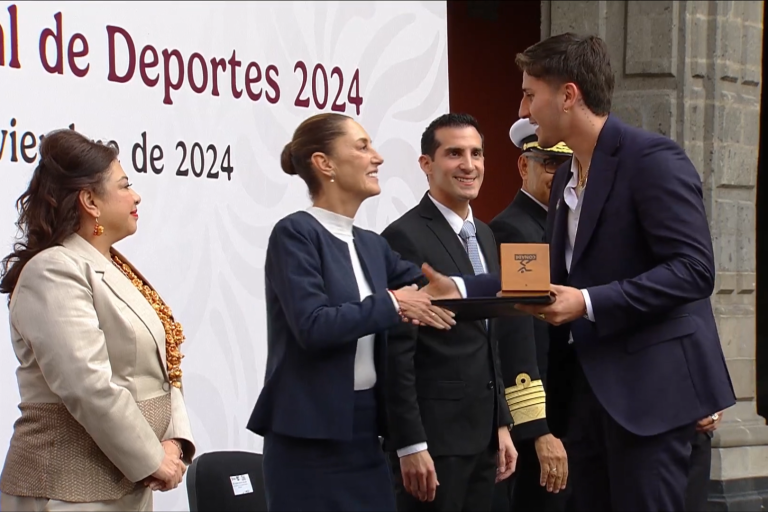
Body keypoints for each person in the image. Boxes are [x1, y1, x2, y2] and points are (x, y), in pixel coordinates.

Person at [513, 33, 736, 511]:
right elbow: (542, 278)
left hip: (651, 399)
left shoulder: (652, 160)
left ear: (569, 95)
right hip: (586, 395)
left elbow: (694, 270)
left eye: (531, 94)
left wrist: (588, 302)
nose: (523, 109)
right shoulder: (565, 181)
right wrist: (461, 290)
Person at [245, 113, 501, 512]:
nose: (377, 157)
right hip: (309, 437)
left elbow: (441, 290)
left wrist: (525, 288)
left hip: (366, 435)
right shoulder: (295, 234)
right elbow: (313, 325)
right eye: (362, 146)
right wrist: (396, 303)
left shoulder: (371, 246)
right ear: (324, 163)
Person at [0, 129, 195, 512]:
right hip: (66, 492)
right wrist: (151, 458)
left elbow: (167, 365)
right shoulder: (53, 269)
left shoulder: (109, 265)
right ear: (89, 200)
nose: (136, 195)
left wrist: (174, 443)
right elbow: (87, 385)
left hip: (126, 484)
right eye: (124, 185)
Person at [381, 113, 517, 512]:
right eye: (454, 153)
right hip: (436, 444)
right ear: (427, 164)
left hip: (484, 441)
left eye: (477, 153)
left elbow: (489, 338)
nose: (469, 165)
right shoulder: (404, 236)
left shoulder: (487, 236)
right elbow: (397, 351)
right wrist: (410, 443)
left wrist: (501, 424)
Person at [489, 117, 572, 512]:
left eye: (567, 165)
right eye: (550, 163)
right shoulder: (517, 230)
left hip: (574, 408)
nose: (560, 174)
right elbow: (519, 331)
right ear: (526, 166)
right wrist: (537, 428)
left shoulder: (566, 224)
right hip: (544, 411)